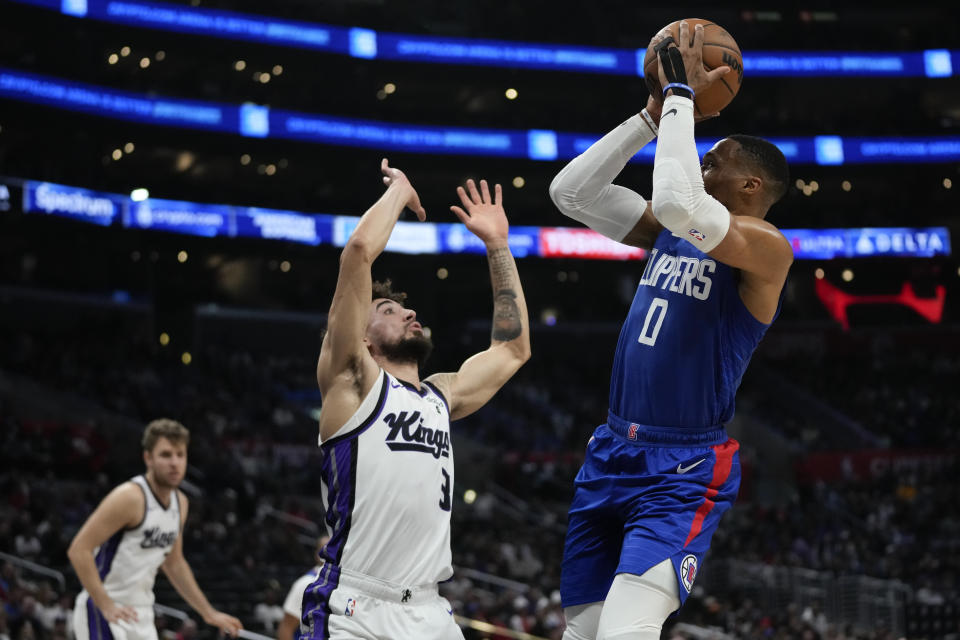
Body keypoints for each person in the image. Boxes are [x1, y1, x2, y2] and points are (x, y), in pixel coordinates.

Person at [549, 22, 793, 640]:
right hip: (612, 450)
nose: (700, 159)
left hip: (682, 466)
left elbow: (684, 201)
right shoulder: (668, 225)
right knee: (583, 632)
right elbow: (571, 193)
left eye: (715, 161)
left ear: (750, 186)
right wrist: (650, 116)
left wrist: (683, 93)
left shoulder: (765, 248)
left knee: (624, 631)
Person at [301, 159, 531, 640]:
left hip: (429, 609)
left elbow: (512, 349)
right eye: (387, 309)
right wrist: (399, 192)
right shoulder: (352, 380)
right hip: (356, 606)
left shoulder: (440, 396)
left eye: (405, 307)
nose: (408, 312)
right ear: (361, 338)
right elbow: (360, 251)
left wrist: (498, 245)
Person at [67, 419, 243, 640]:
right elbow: (78, 550)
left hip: (141, 611)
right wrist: (105, 604)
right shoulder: (130, 497)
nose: (175, 463)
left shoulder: (181, 503)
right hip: (104, 608)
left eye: (180, 455)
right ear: (148, 458)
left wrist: (208, 613)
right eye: (166, 455)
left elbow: (174, 562)